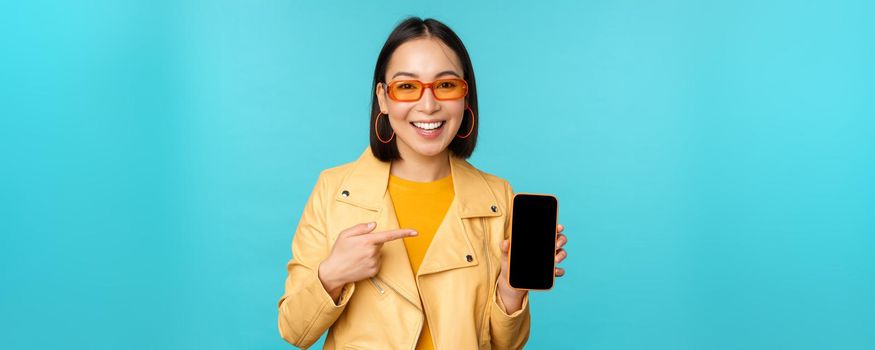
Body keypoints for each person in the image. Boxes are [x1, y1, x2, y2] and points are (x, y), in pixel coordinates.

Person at [277, 17, 568, 349]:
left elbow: (506, 345)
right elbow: (294, 330)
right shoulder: (334, 190)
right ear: (383, 99)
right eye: (406, 87)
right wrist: (332, 275)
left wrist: (510, 290)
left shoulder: (497, 198)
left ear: (465, 97)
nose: (428, 105)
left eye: (445, 85)